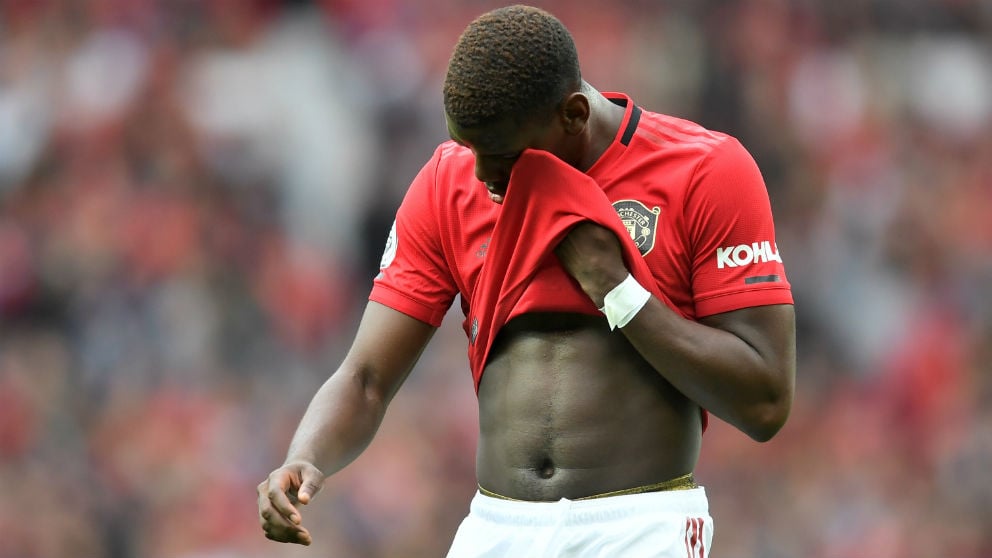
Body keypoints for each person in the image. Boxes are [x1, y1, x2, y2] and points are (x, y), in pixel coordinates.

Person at [257, 5, 796, 556]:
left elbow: (765, 402)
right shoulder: (447, 183)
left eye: (504, 157)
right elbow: (367, 377)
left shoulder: (704, 171)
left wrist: (621, 294)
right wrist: (305, 456)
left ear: (574, 114)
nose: (484, 177)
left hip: (641, 525)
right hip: (496, 528)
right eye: (469, 149)